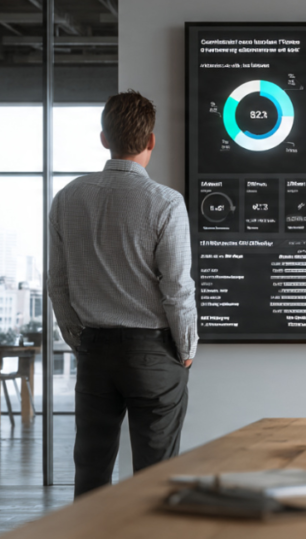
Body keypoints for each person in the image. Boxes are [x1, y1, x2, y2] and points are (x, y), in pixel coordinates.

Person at [48, 90, 197, 498]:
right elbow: (177, 287)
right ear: (151, 141)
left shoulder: (67, 199)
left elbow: (57, 282)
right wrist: (186, 346)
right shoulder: (166, 203)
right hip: (154, 353)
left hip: (95, 350)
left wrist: (80, 340)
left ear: (103, 138)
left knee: (91, 472)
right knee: (157, 479)